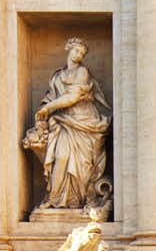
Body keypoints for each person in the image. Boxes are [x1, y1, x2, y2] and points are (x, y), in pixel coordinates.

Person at [24, 38, 112, 212]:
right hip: (63, 122)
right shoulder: (57, 76)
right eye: (76, 51)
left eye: (82, 53)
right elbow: (50, 97)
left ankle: (76, 201)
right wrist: (44, 109)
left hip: (84, 122)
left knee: (81, 166)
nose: (78, 55)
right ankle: (55, 198)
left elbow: (72, 97)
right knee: (61, 157)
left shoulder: (82, 72)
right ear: (68, 49)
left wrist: (49, 107)